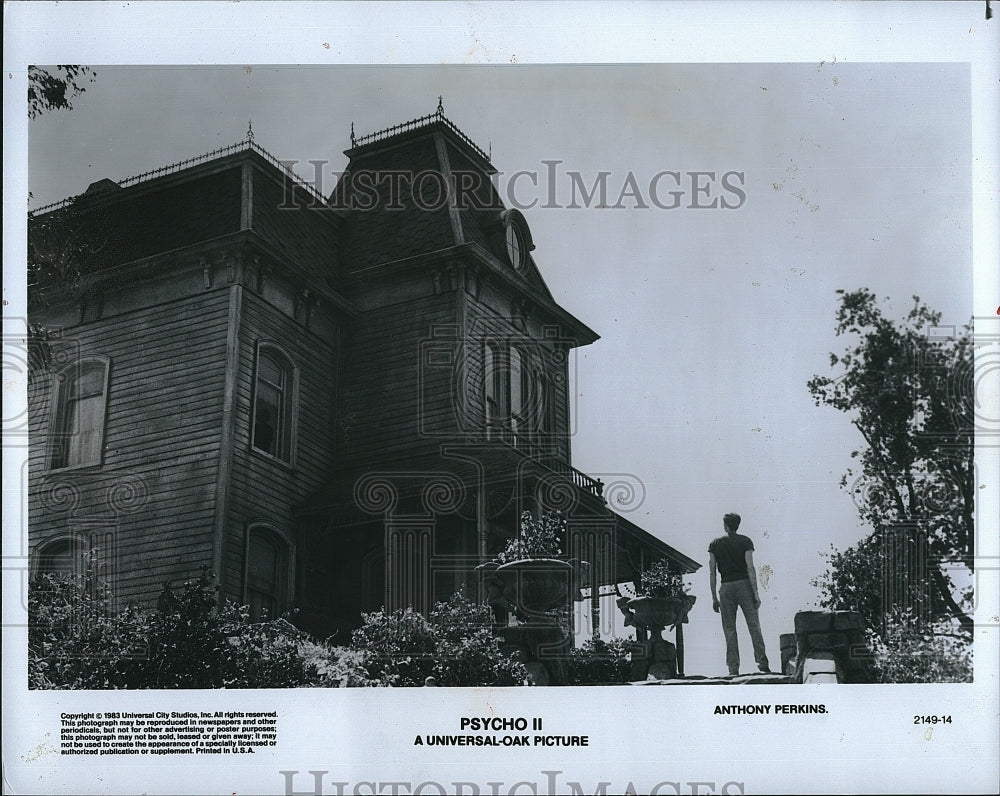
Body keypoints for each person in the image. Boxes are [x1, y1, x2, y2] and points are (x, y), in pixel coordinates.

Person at [708, 512, 770, 676]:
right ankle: (762, 664)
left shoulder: (715, 543)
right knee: (754, 625)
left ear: (725, 525)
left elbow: (712, 572)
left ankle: (733, 669)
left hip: (726, 587)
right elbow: (750, 567)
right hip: (744, 585)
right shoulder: (745, 541)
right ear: (738, 525)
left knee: (729, 629)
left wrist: (714, 597)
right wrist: (756, 594)